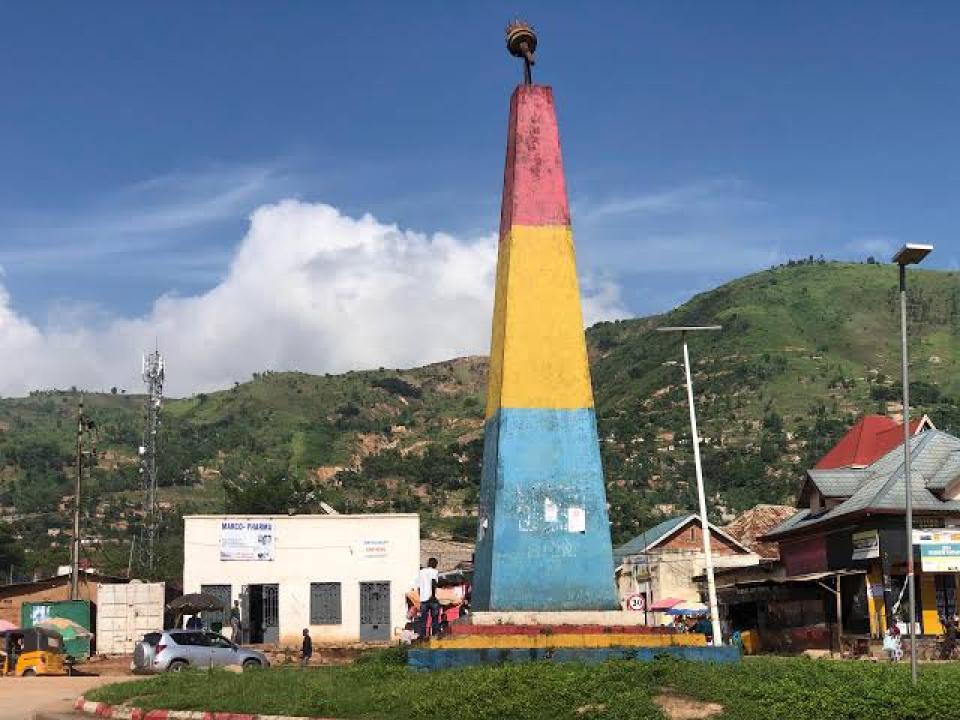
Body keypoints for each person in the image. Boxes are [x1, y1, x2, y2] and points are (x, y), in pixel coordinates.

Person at [416, 557, 440, 639]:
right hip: (432, 599)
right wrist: (433, 596)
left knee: (423, 619)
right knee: (435, 619)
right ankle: (434, 636)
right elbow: (433, 583)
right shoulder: (435, 571)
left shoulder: (421, 572)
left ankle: (423, 636)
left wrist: (421, 597)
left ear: (428, 563)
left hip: (423, 600)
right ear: (435, 564)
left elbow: (418, 587)